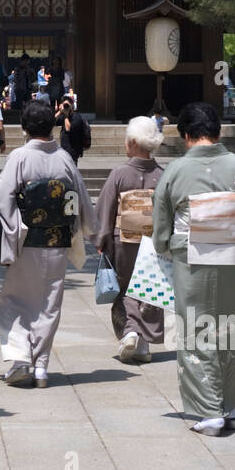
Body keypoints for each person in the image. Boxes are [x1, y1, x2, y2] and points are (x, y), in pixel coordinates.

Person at [152, 102, 235, 435]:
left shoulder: (176, 170)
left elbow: (161, 220)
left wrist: (162, 246)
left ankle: (208, 409)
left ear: (186, 135)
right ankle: (228, 405)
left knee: (197, 327)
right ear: (217, 132)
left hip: (193, 255)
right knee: (232, 325)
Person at [0, 99, 97, 388]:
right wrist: (83, 228)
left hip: (27, 240)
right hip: (58, 241)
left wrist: (15, 227)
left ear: (24, 127)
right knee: (49, 304)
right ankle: (41, 366)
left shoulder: (21, 157)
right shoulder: (63, 158)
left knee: (15, 299)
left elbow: (2, 194)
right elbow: (78, 196)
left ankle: (21, 358)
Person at [95, 116, 165, 363]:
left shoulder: (120, 174)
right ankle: (144, 345)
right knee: (150, 288)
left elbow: (105, 209)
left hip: (123, 239)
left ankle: (130, 333)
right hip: (153, 241)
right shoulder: (161, 175)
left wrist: (101, 238)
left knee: (124, 288)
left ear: (133, 143)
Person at [55, 96, 87, 163]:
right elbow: (51, 122)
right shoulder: (64, 115)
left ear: (72, 105)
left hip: (73, 151)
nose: (66, 107)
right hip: (64, 151)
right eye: (64, 105)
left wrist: (66, 115)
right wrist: (60, 111)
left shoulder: (76, 117)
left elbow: (68, 129)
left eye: (67, 105)